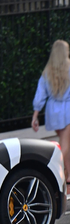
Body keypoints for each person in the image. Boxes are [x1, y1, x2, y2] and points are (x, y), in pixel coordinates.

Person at [32, 40, 70, 183]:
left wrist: (35, 115)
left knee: (66, 143)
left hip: (53, 111)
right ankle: (51, 169)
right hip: (67, 109)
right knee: (65, 144)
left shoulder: (47, 71)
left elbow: (40, 94)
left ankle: (68, 176)